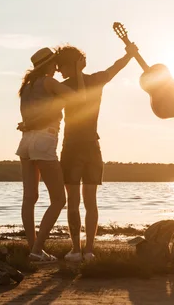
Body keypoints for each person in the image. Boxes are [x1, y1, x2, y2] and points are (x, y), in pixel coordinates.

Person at [55, 43, 138, 262]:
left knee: (79, 201)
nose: (58, 70)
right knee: (84, 201)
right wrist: (128, 55)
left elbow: (116, 67)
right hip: (89, 147)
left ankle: (81, 249)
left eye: (61, 66)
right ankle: (84, 249)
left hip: (76, 147)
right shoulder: (92, 80)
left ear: (71, 64)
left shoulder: (65, 86)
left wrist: (128, 55)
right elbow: (116, 67)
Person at [15, 47, 85, 264]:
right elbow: (80, 99)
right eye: (54, 63)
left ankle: (33, 250)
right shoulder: (49, 82)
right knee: (58, 199)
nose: (57, 67)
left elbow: (29, 117)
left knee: (30, 198)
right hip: (44, 141)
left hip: (26, 141)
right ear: (48, 65)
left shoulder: (26, 87)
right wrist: (79, 73)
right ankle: (37, 251)